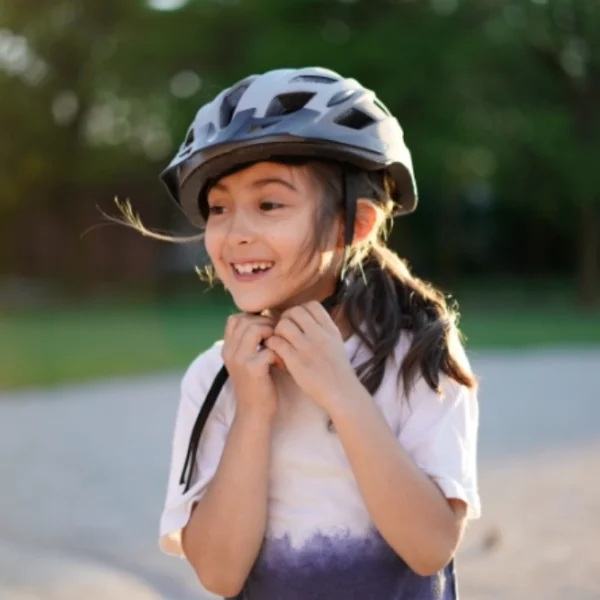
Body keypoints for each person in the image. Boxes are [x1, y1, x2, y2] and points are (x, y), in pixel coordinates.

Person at [146, 66, 480, 599]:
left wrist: (342, 394)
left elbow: (431, 547)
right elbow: (218, 573)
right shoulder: (216, 376)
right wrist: (253, 411)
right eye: (218, 208)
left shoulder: (417, 354)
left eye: (270, 204)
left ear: (356, 224)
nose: (235, 233)